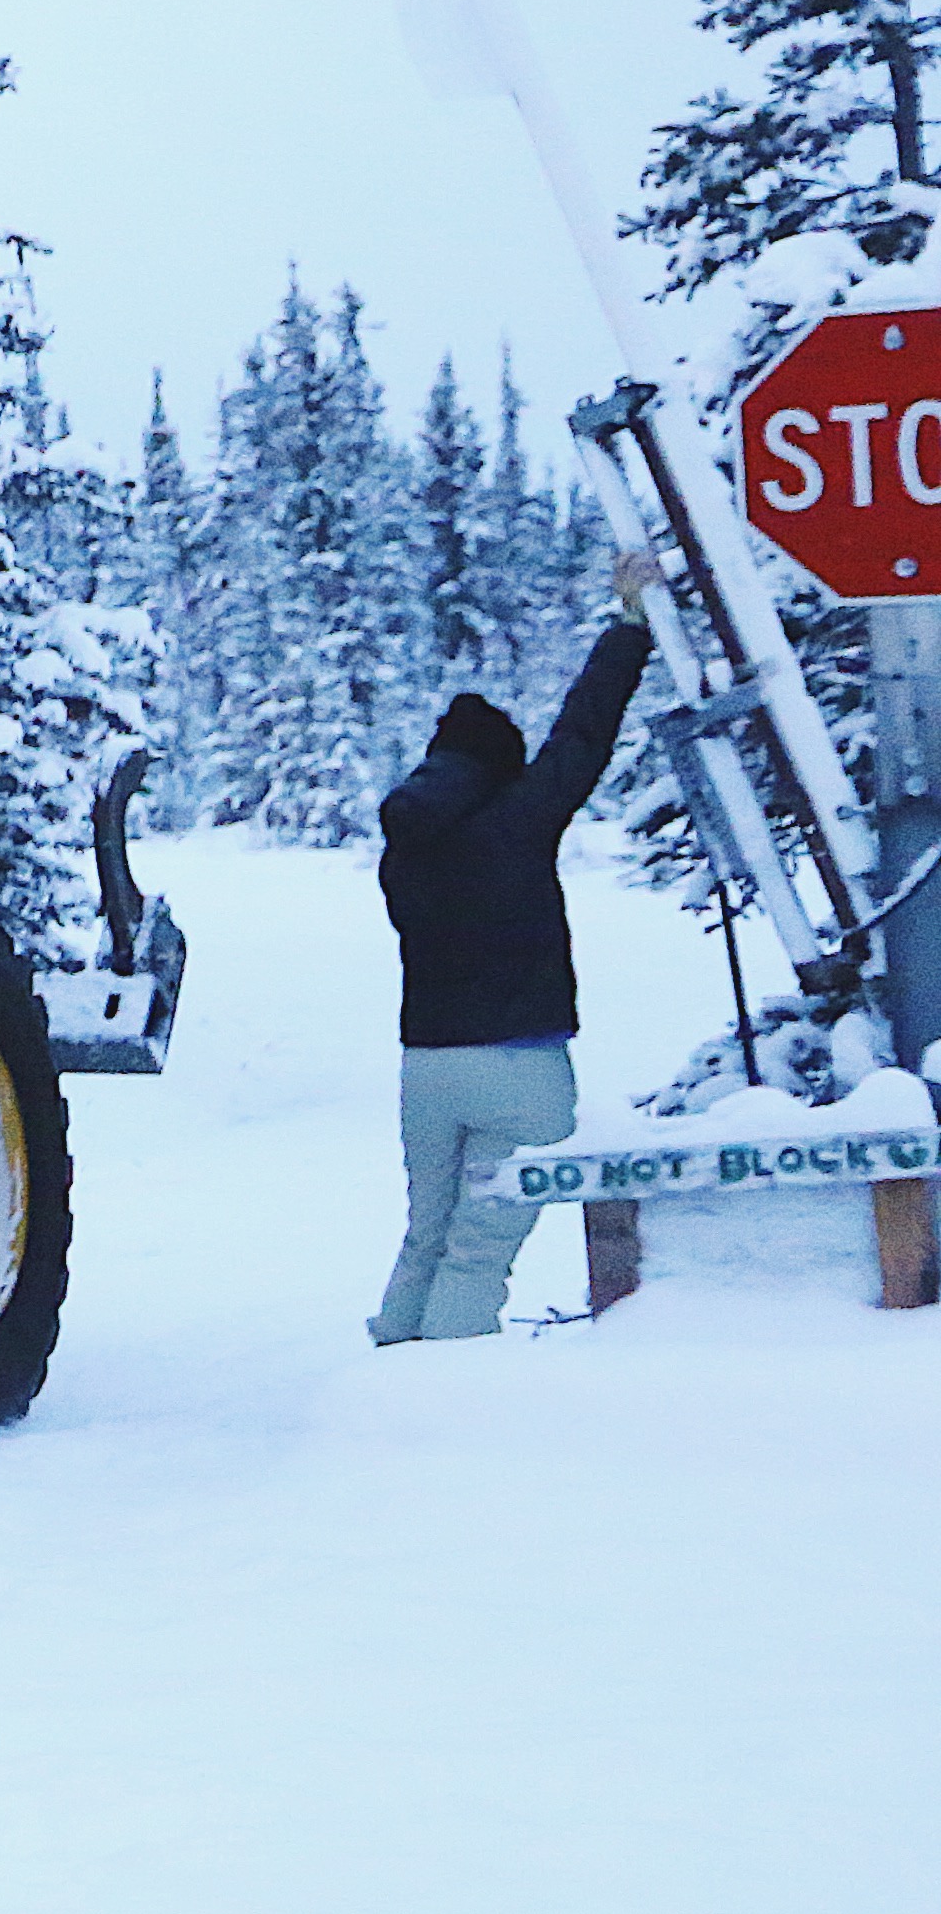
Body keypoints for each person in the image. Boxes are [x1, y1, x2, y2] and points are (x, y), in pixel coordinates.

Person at [371, 571, 656, 1344]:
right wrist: (630, 629)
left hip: (426, 1068)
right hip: (521, 1068)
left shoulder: (405, 845)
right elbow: (582, 735)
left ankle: (387, 1371)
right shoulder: (516, 821)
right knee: (477, 1254)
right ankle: (444, 1390)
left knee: (427, 1236)